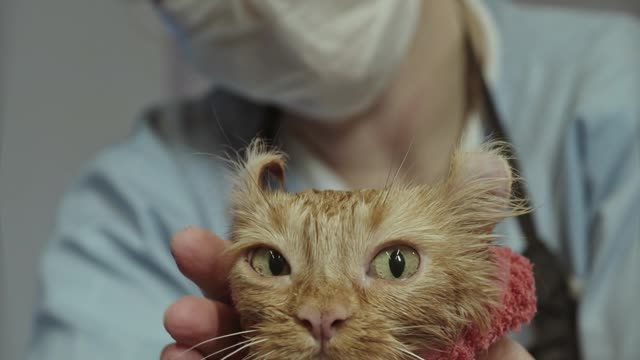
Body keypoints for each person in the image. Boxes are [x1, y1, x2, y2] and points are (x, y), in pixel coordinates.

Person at [26, 1, 639, 360]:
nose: (323, 310)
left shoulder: (619, 95)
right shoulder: (134, 200)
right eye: (269, 261)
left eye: (396, 262)